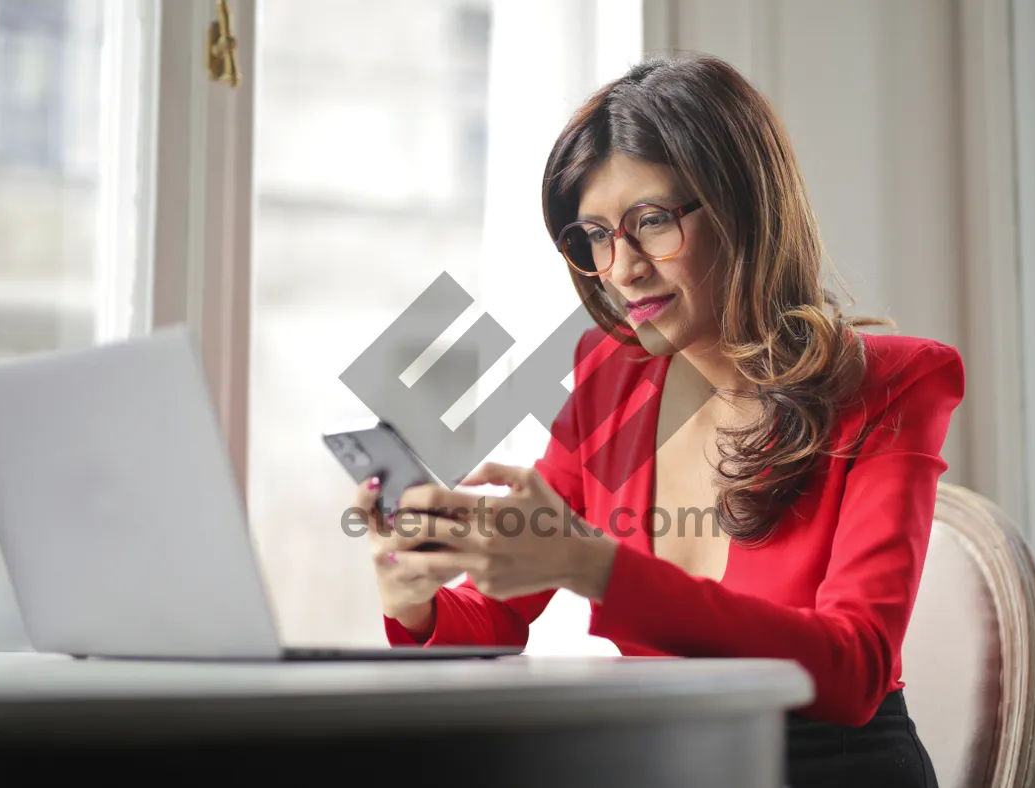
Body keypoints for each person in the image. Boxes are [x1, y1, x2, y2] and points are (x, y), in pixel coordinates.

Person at [349, 53, 961, 788]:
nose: (623, 268)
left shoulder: (893, 382)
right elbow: (494, 619)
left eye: (651, 222)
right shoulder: (611, 379)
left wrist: (592, 564)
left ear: (743, 205)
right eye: (596, 237)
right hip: (670, 762)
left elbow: (854, 667)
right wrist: (413, 589)